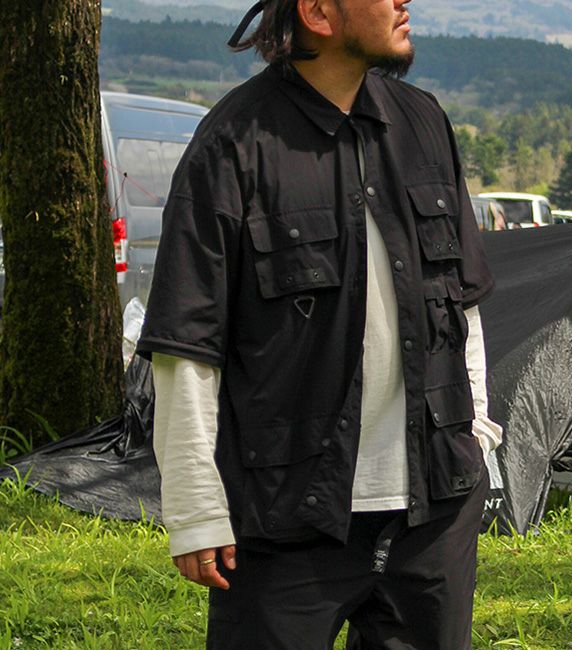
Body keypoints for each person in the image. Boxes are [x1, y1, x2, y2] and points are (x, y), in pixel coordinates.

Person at [136, 0, 503, 647]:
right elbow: (187, 343)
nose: (403, 1)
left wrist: (476, 435)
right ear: (318, 12)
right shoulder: (234, 143)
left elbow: (462, 305)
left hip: (432, 514)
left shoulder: (423, 123)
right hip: (283, 516)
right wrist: (195, 505)